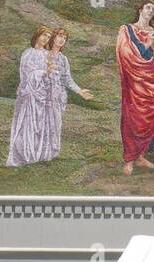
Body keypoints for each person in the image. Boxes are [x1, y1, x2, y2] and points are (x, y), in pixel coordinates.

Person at [7, 27, 93, 166]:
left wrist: (79, 91)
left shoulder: (62, 59)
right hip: (40, 95)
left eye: (64, 38)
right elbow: (32, 73)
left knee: (53, 125)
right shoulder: (41, 54)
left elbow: (67, 79)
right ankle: (31, 153)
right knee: (38, 124)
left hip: (56, 97)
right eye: (59, 37)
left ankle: (47, 153)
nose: (61, 40)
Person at [116, 1, 154, 174]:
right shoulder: (127, 30)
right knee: (133, 119)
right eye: (148, 7)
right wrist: (147, 44)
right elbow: (126, 54)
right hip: (134, 83)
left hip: (153, 82)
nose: (151, 11)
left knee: (151, 118)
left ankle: (141, 156)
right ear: (139, 10)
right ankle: (130, 159)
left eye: (153, 9)